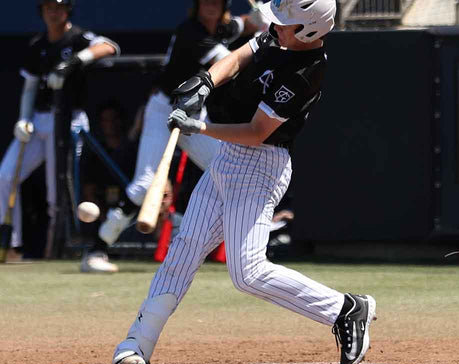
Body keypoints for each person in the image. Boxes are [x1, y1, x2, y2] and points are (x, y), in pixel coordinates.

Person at [111, 0, 377, 364]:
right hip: (229, 159)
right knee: (184, 250)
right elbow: (239, 57)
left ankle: (344, 309)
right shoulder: (279, 38)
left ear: (309, 31)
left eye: (286, 24)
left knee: (247, 272)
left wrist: (199, 128)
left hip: (260, 165)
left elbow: (256, 132)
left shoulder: (305, 72)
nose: (275, 26)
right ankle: (137, 343)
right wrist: (205, 82)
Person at [92, 0, 267, 269]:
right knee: (144, 185)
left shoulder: (222, 27)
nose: (210, 5)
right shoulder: (191, 32)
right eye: (205, 1)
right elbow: (230, 63)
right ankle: (98, 249)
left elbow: (244, 23)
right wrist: (263, 37)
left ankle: (248, 252)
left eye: (216, 1)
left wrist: (264, 20)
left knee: (229, 170)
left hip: (194, 116)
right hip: (165, 110)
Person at [0, 0, 119, 261]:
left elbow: (110, 46)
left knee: (57, 193)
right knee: (6, 175)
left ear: (68, 10)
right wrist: (23, 118)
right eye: (48, 7)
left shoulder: (77, 37)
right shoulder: (37, 45)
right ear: (41, 11)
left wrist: (75, 61)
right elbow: (30, 87)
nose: (53, 12)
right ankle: (12, 247)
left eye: (58, 7)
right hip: (38, 120)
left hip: (68, 119)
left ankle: (54, 253)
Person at [79, 101, 138, 273]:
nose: (110, 124)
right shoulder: (96, 153)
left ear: (121, 121)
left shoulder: (132, 150)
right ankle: (96, 252)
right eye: (106, 120)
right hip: (105, 214)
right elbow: (89, 190)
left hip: (133, 213)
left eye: (114, 119)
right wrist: (104, 215)